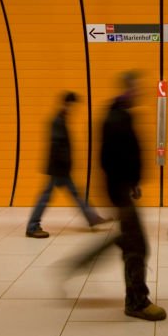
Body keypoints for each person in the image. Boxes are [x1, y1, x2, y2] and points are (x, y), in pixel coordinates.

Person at [68, 71, 166, 321]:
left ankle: (83, 263)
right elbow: (109, 160)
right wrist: (122, 189)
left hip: (121, 189)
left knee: (129, 241)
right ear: (129, 90)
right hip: (118, 192)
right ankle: (137, 302)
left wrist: (132, 182)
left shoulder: (121, 115)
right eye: (137, 90)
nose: (140, 95)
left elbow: (126, 155)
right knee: (137, 246)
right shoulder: (115, 118)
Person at [26, 91, 108, 238]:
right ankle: (32, 227)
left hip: (61, 168)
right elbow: (57, 145)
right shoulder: (57, 121)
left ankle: (92, 218)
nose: (73, 109)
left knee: (74, 194)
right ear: (67, 104)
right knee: (46, 197)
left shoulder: (60, 119)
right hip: (58, 168)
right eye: (72, 105)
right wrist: (65, 164)